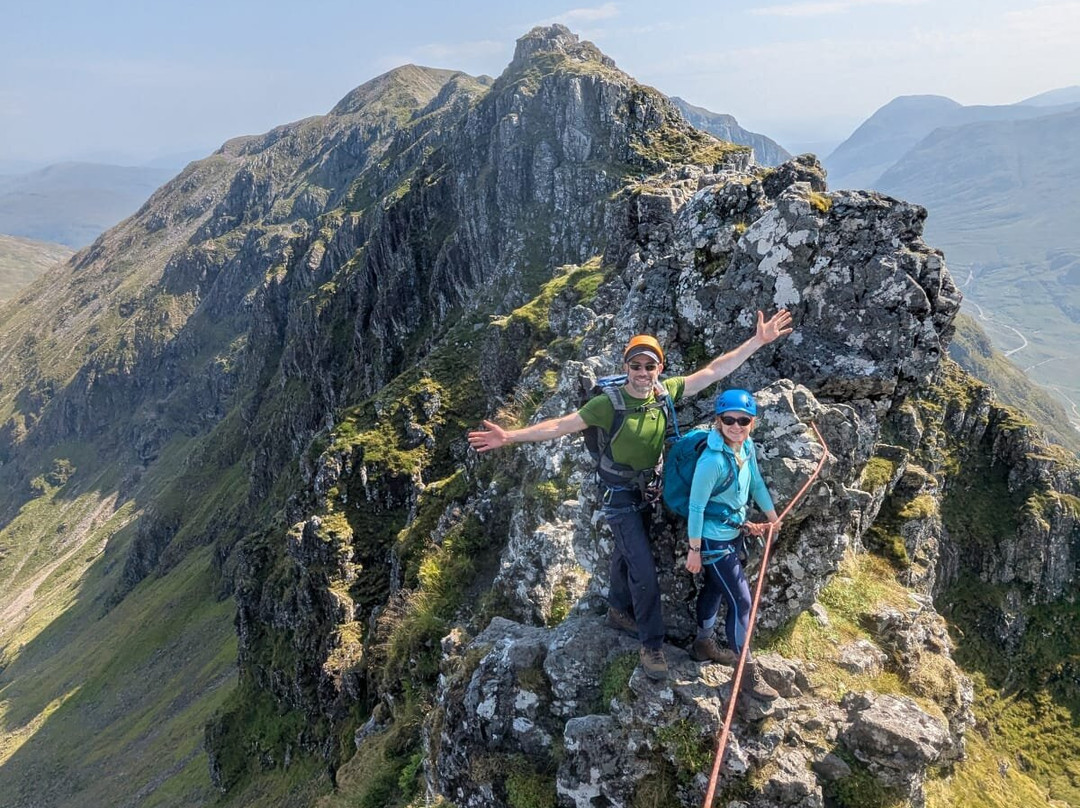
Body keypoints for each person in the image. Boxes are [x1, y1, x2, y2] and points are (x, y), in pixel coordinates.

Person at [467, 310, 793, 681]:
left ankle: (617, 610)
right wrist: (509, 436)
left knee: (626, 553)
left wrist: (757, 341)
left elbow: (714, 371)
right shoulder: (607, 403)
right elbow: (561, 425)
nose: (642, 372)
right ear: (625, 366)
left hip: (649, 491)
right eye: (635, 365)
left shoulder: (663, 393)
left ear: (659, 368)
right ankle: (651, 645)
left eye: (649, 366)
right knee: (644, 571)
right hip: (620, 496)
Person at [684, 388, 780, 700]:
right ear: (718, 421)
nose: (736, 426)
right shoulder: (711, 461)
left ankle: (703, 643)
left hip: (732, 534)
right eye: (728, 420)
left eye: (743, 420)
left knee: (714, 588)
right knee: (742, 602)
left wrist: (772, 516)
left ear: (753, 422)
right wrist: (694, 550)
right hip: (713, 541)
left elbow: (756, 482)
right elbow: (696, 508)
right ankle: (747, 672)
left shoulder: (746, 448)